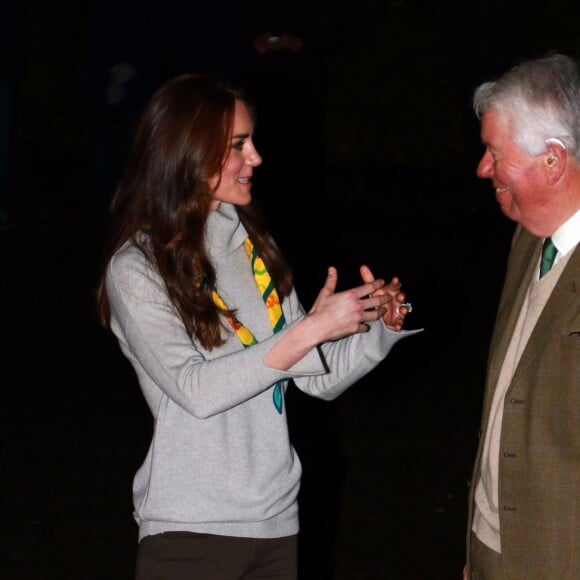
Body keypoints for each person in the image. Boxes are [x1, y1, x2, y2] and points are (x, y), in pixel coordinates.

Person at [96, 73, 421, 580]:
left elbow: (315, 377)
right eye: (238, 146)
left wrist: (373, 325)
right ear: (189, 154)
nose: (257, 159)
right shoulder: (136, 268)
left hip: (275, 523)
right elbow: (195, 389)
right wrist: (309, 330)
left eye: (253, 142)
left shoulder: (253, 247)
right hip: (191, 531)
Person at [463, 53, 580, 579]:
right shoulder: (526, 241)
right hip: (493, 549)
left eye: (495, 152)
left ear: (552, 160)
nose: (483, 168)